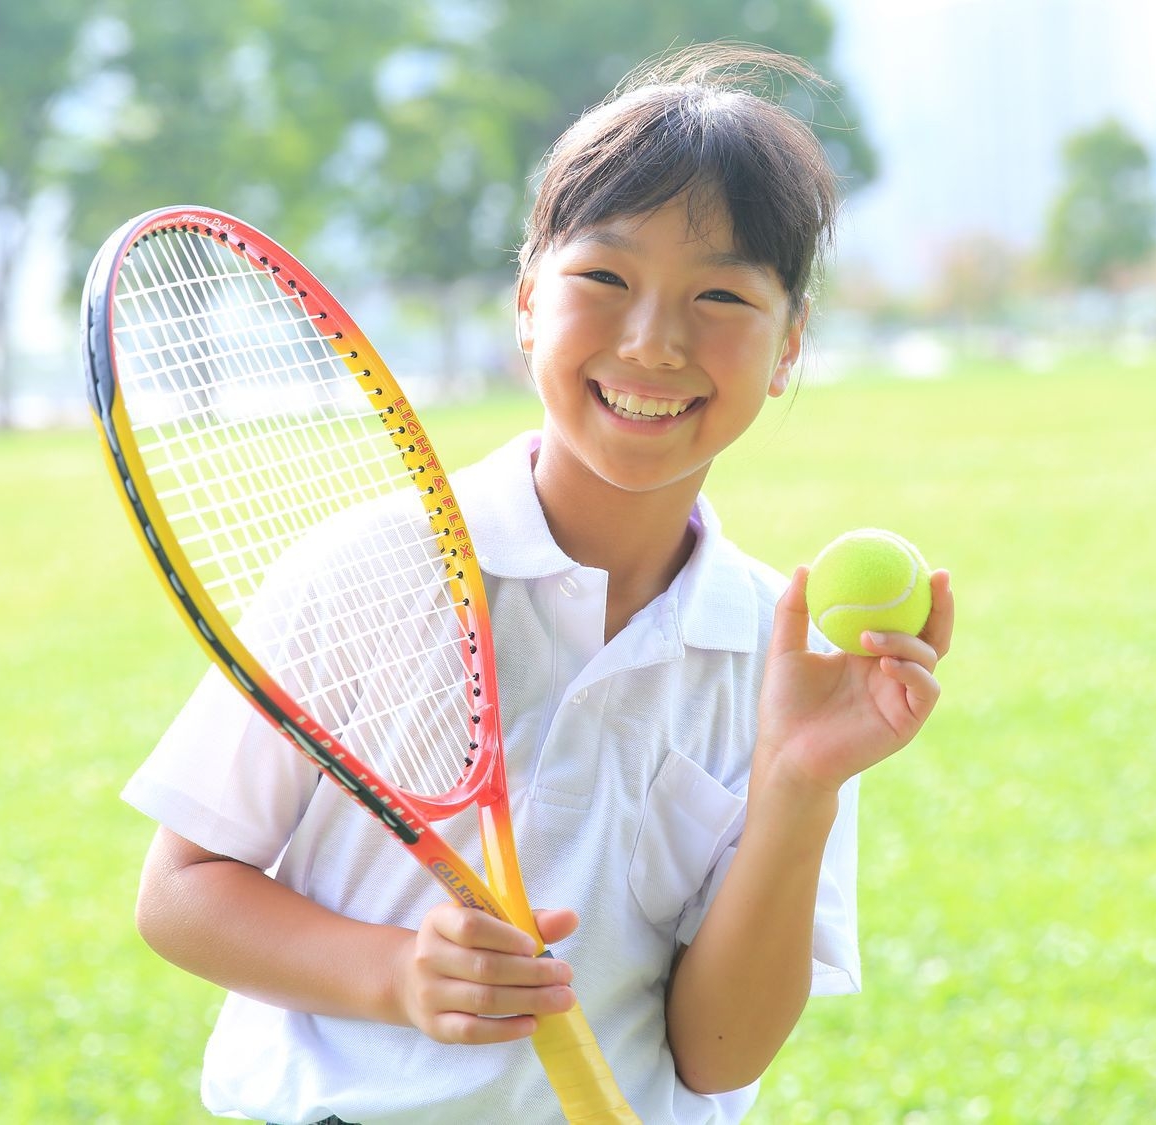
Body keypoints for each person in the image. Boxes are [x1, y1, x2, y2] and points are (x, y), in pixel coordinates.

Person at [123, 43, 956, 1124]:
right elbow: (182, 894)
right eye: (604, 279)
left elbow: (715, 1056)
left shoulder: (777, 649)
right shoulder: (371, 568)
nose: (653, 340)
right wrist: (393, 975)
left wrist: (796, 783)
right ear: (526, 302)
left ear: (788, 345)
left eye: (719, 296)